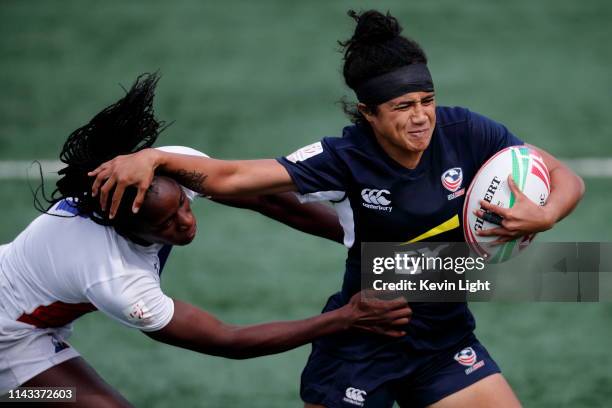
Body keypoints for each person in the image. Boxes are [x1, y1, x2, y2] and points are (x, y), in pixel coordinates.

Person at [89, 10, 585, 408]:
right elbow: (235, 178)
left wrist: (548, 214)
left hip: (443, 339)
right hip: (364, 339)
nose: (420, 118)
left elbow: (566, 178)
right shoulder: (344, 157)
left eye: (426, 100)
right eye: (402, 107)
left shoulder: (466, 131)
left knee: (577, 275)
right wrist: (153, 156)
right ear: (368, 113)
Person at [0, 73, 414, 407]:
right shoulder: (114, 277)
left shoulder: (162, 173)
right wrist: (343, 318)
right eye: (166, 223)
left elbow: (271, 201)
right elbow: (227, 341)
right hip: (9, 341)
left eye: (183, 204)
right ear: (123, 228)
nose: (186, 221)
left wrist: (369, 241)